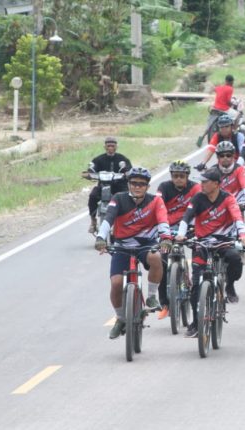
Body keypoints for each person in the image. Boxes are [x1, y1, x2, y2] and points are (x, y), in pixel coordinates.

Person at [94, 167, 172, 339]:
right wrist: (100, 237)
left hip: (146, 244)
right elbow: (108, 219)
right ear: (129, 184)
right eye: (134, 183)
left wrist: (166, 238)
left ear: (147, 187)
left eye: (141, 184)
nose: (137, 187)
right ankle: (120, 318)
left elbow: (163, 220)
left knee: (156, 257)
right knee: (116, 283)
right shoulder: (118, 198)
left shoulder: (156, 201)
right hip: (122, 246)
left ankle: (151, 296)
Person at [175, 168, 245, 337]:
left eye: (205, 181)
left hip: (224, 241)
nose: (201, 184)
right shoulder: (198, 198)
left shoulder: (228, 198)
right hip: (202, 244)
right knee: (196, 285)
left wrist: (243, 234)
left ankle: (229, 285)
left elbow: (237, 217)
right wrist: (180, 234)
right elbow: (187, 217)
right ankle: (196, 323)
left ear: (216, 184)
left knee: (235, 259)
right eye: (201, 181)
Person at [155, 160, 201, 319]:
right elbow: (157, 205)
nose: (178, 179)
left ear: (187, 176)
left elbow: (200, 207)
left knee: (200, 253)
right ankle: (165, 304)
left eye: (182, 176)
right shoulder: (164, 187)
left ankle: (196, 284)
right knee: (161, 262)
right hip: (167, 229)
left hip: (189, 227)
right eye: (175, 176)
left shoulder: (195, 188)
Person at [83, 136, 132, 233]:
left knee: (127, 198)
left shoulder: (122, 159)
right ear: (104, 147)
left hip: (119, 186)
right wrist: (88, 174)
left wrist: (127, 173)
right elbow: (91, 169)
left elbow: (129, 169)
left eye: (112, 146)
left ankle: (128, 221)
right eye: (108, 146)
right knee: (92, 196)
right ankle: (93, 221)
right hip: (103, 186)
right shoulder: (98, 159)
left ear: (116, 147)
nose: (110, 148)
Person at [214, 141, 245, 209]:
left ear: (233, 156)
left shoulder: (239, 168)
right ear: (218, 157)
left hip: (238, 200)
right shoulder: (213, 171)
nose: (225, 158)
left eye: (228, 155)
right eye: (222, 156)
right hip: (222, 203)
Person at [205, 74, 235, 142]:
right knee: (237, 115)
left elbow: (214, 89)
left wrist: (210, 84)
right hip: (224, 109)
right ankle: (234, 131)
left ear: (225, 81)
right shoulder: (230, 89)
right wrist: (232, 104)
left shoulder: (219, 87)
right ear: (232, 82)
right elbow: (228, 101)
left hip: (215, 108)